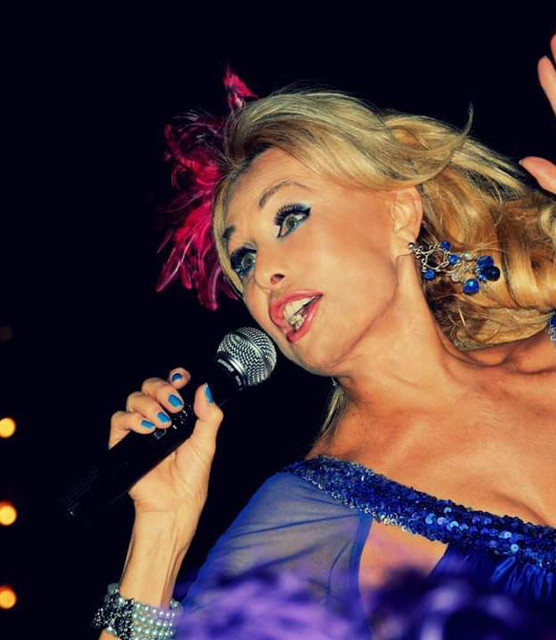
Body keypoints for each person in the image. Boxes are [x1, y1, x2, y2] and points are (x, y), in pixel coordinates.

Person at [93, 34, 556, 639]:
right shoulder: (311, 514)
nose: (263, 273)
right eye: (244, 260)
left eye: (289, 218)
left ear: (399, 212)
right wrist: (160, 535)